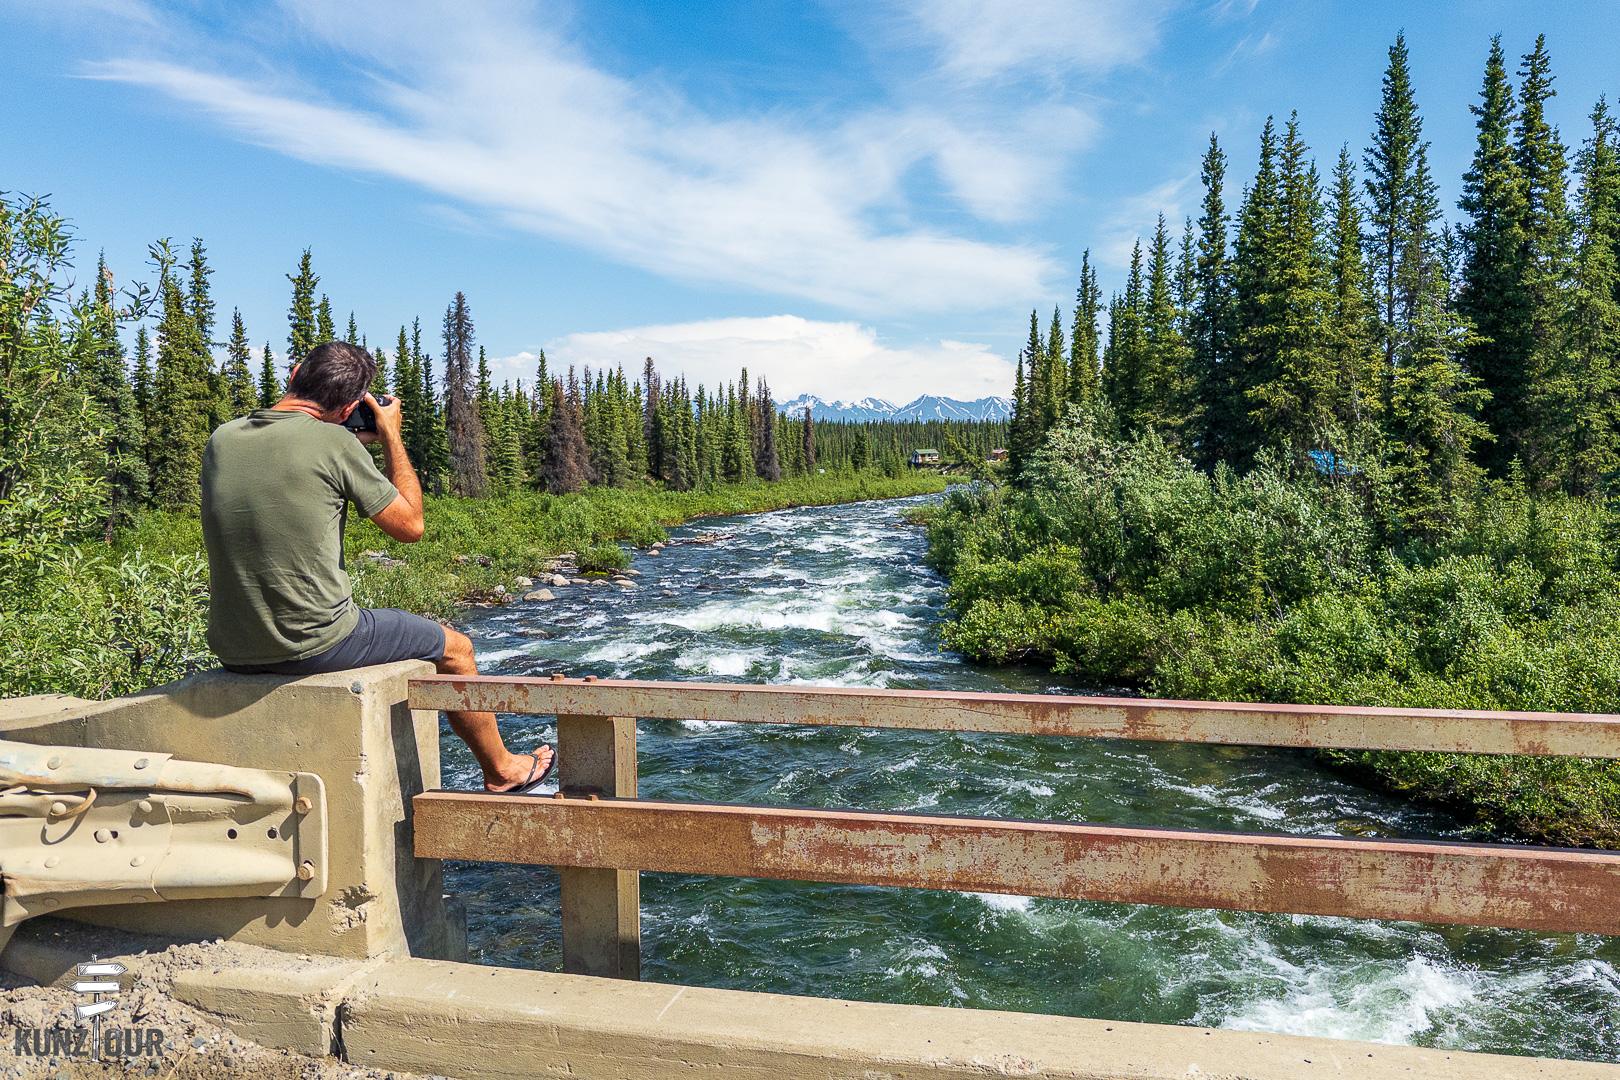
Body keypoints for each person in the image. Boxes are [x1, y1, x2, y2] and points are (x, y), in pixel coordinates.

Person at [200, 340, 553, 794]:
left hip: (234, 649)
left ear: (294, 373)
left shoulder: (222, 438)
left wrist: (342, 436)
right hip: (316, 643)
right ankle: (503, 771)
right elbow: (411, 526)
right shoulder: (334, 443)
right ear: (350, 407)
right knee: (457, 649)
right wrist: (390, 436)